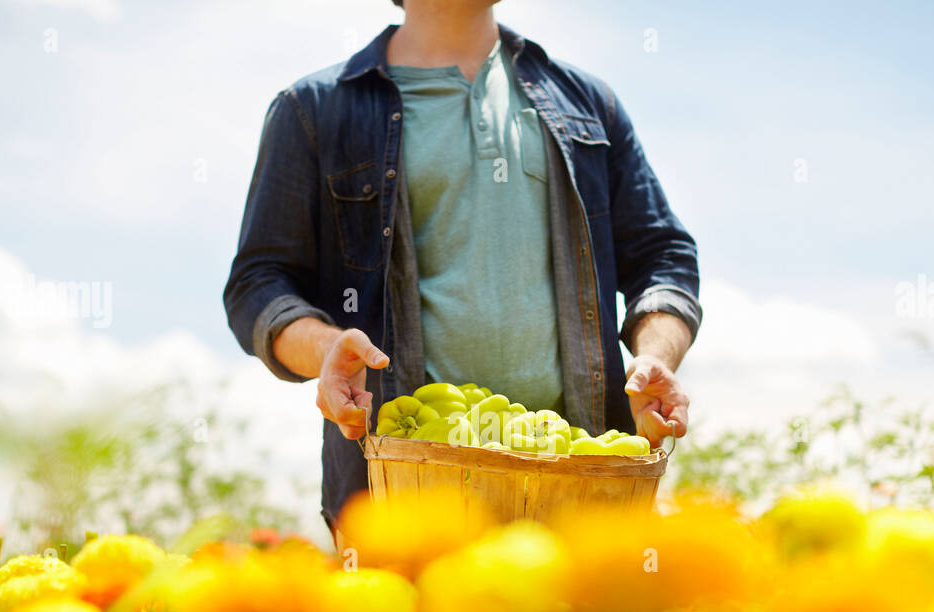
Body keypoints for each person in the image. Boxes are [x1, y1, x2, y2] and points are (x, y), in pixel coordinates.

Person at [224, 0, 702, 534]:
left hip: (584, 491)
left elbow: (664, 256)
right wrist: (325, 347)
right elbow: (258, 284)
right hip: (404, 501)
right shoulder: (315, 110)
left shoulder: (587, 103)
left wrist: (654, 356)